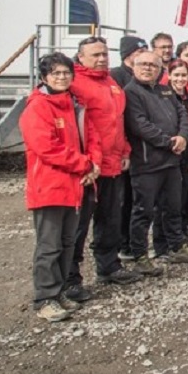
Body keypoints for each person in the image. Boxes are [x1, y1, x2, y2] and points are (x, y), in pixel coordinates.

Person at [21, 53, 101, 322]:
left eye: (66, 72)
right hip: (50, 187)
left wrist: (93, 164)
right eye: (55, 73)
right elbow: (47, 148)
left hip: (76, 186)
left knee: (67, 242)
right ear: (44, 77)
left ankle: (59, 292)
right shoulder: (38, 107)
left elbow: (92, 137)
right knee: (49, 245)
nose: (62, 77)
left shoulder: (74, 104)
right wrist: (84, 164)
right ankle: (44, 298)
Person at [67, 37, 139, 298]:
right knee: (78, 225)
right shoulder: (72, 83)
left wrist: (125, 150)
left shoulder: (110, 82)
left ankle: (109, 265)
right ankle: (70, 277)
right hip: (87, 168)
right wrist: (84, 162)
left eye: (105, 54)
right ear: (81, 57)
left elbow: (119, 121)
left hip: (112, 163)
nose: (101, 59)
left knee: (110, 219)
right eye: (95, 54)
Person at [123, 51, 188, 271]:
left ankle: (174, 246)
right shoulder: (131, 92)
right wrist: (169, 142)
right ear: (134, 66)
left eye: (153, 65)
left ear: (160, 69)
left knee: (173, 207)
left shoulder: (165, 90)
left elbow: (183, 114)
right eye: (143, 64)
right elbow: (139, 125)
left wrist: (183, 137)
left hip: (171, 161)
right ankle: (139, 255)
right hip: (147, 163)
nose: (148, 68)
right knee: (143, 211)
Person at [111, 35, 147, 258]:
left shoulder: (144, 75)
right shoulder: (115, 77)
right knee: (121, 200)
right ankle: (121, 244)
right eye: (139, 52)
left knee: (138, 198)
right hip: (121, 144)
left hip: (140, 147)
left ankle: (134, 243)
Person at [166, 60, 188, 238]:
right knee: (172, 198)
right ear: (169, 75)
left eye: (183, 75)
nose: (180, 79)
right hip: (170, 153)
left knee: (187, 192)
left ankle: (184, 227)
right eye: (177, 75)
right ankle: (171, 234)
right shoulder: (164, 96)